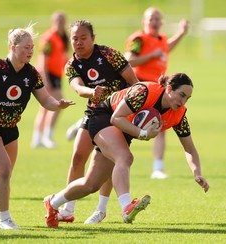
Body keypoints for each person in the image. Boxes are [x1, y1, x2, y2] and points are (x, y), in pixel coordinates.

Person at [43, 73, 209, 228]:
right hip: (104, 117)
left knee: (91, 184)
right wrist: (142, 133)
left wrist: (197, 172)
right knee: (125, 157)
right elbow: (116, 118)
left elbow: (190, 149)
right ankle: (126, 207)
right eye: (182, 95)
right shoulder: (144, 91)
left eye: (188, 98)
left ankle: (53, 203)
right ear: (169, 89)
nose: (183, 101)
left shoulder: (178, 114)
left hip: (122, 131)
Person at [0, 24, 75, 230]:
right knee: (3, 169)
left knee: (3, 173)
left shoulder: (32, 74)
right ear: (12, 46)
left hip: (10, 127)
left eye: (32, 47)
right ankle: (5, 219)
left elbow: (46, 101)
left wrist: (58, 105)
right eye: (26, 47)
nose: (30, 51)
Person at [55, 20, 139, 225]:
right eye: (75, 38)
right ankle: (68, 209)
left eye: (84, 38)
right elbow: (77, 87)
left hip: (117, 114)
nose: (79, 42)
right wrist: (92, 92)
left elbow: (133, 82)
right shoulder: (72, 64)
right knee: (77, 156)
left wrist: (134, 111)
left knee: (111, 158)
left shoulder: (109, 54)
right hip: (94, 112)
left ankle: (101, 209)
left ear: (93, 38)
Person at [125, 7, 189, 179]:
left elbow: (166, 48)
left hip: (158, 90)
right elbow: (129, 59)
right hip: (138, 88)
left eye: (157, 19)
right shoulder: (139, 39)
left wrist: (181, 33)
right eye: (151, 18)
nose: (154, 22)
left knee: (161, 125)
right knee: (119, 119)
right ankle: (87, 123)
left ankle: (158, 168)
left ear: (162, 22)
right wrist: (151, 55)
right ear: (144, 22)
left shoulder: (161, 40)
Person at [31, 11, 69, 149]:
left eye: (62, 20)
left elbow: (63, 57)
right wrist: (44, 78)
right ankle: (48, 136)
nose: (60, 23)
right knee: (59, 103)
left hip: (56, 75)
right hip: (48, 74)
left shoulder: (63, 37)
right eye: (58, 20)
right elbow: (43, 58)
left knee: (45, 108)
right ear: (53, 22)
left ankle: (37, 138)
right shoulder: (49, 38)